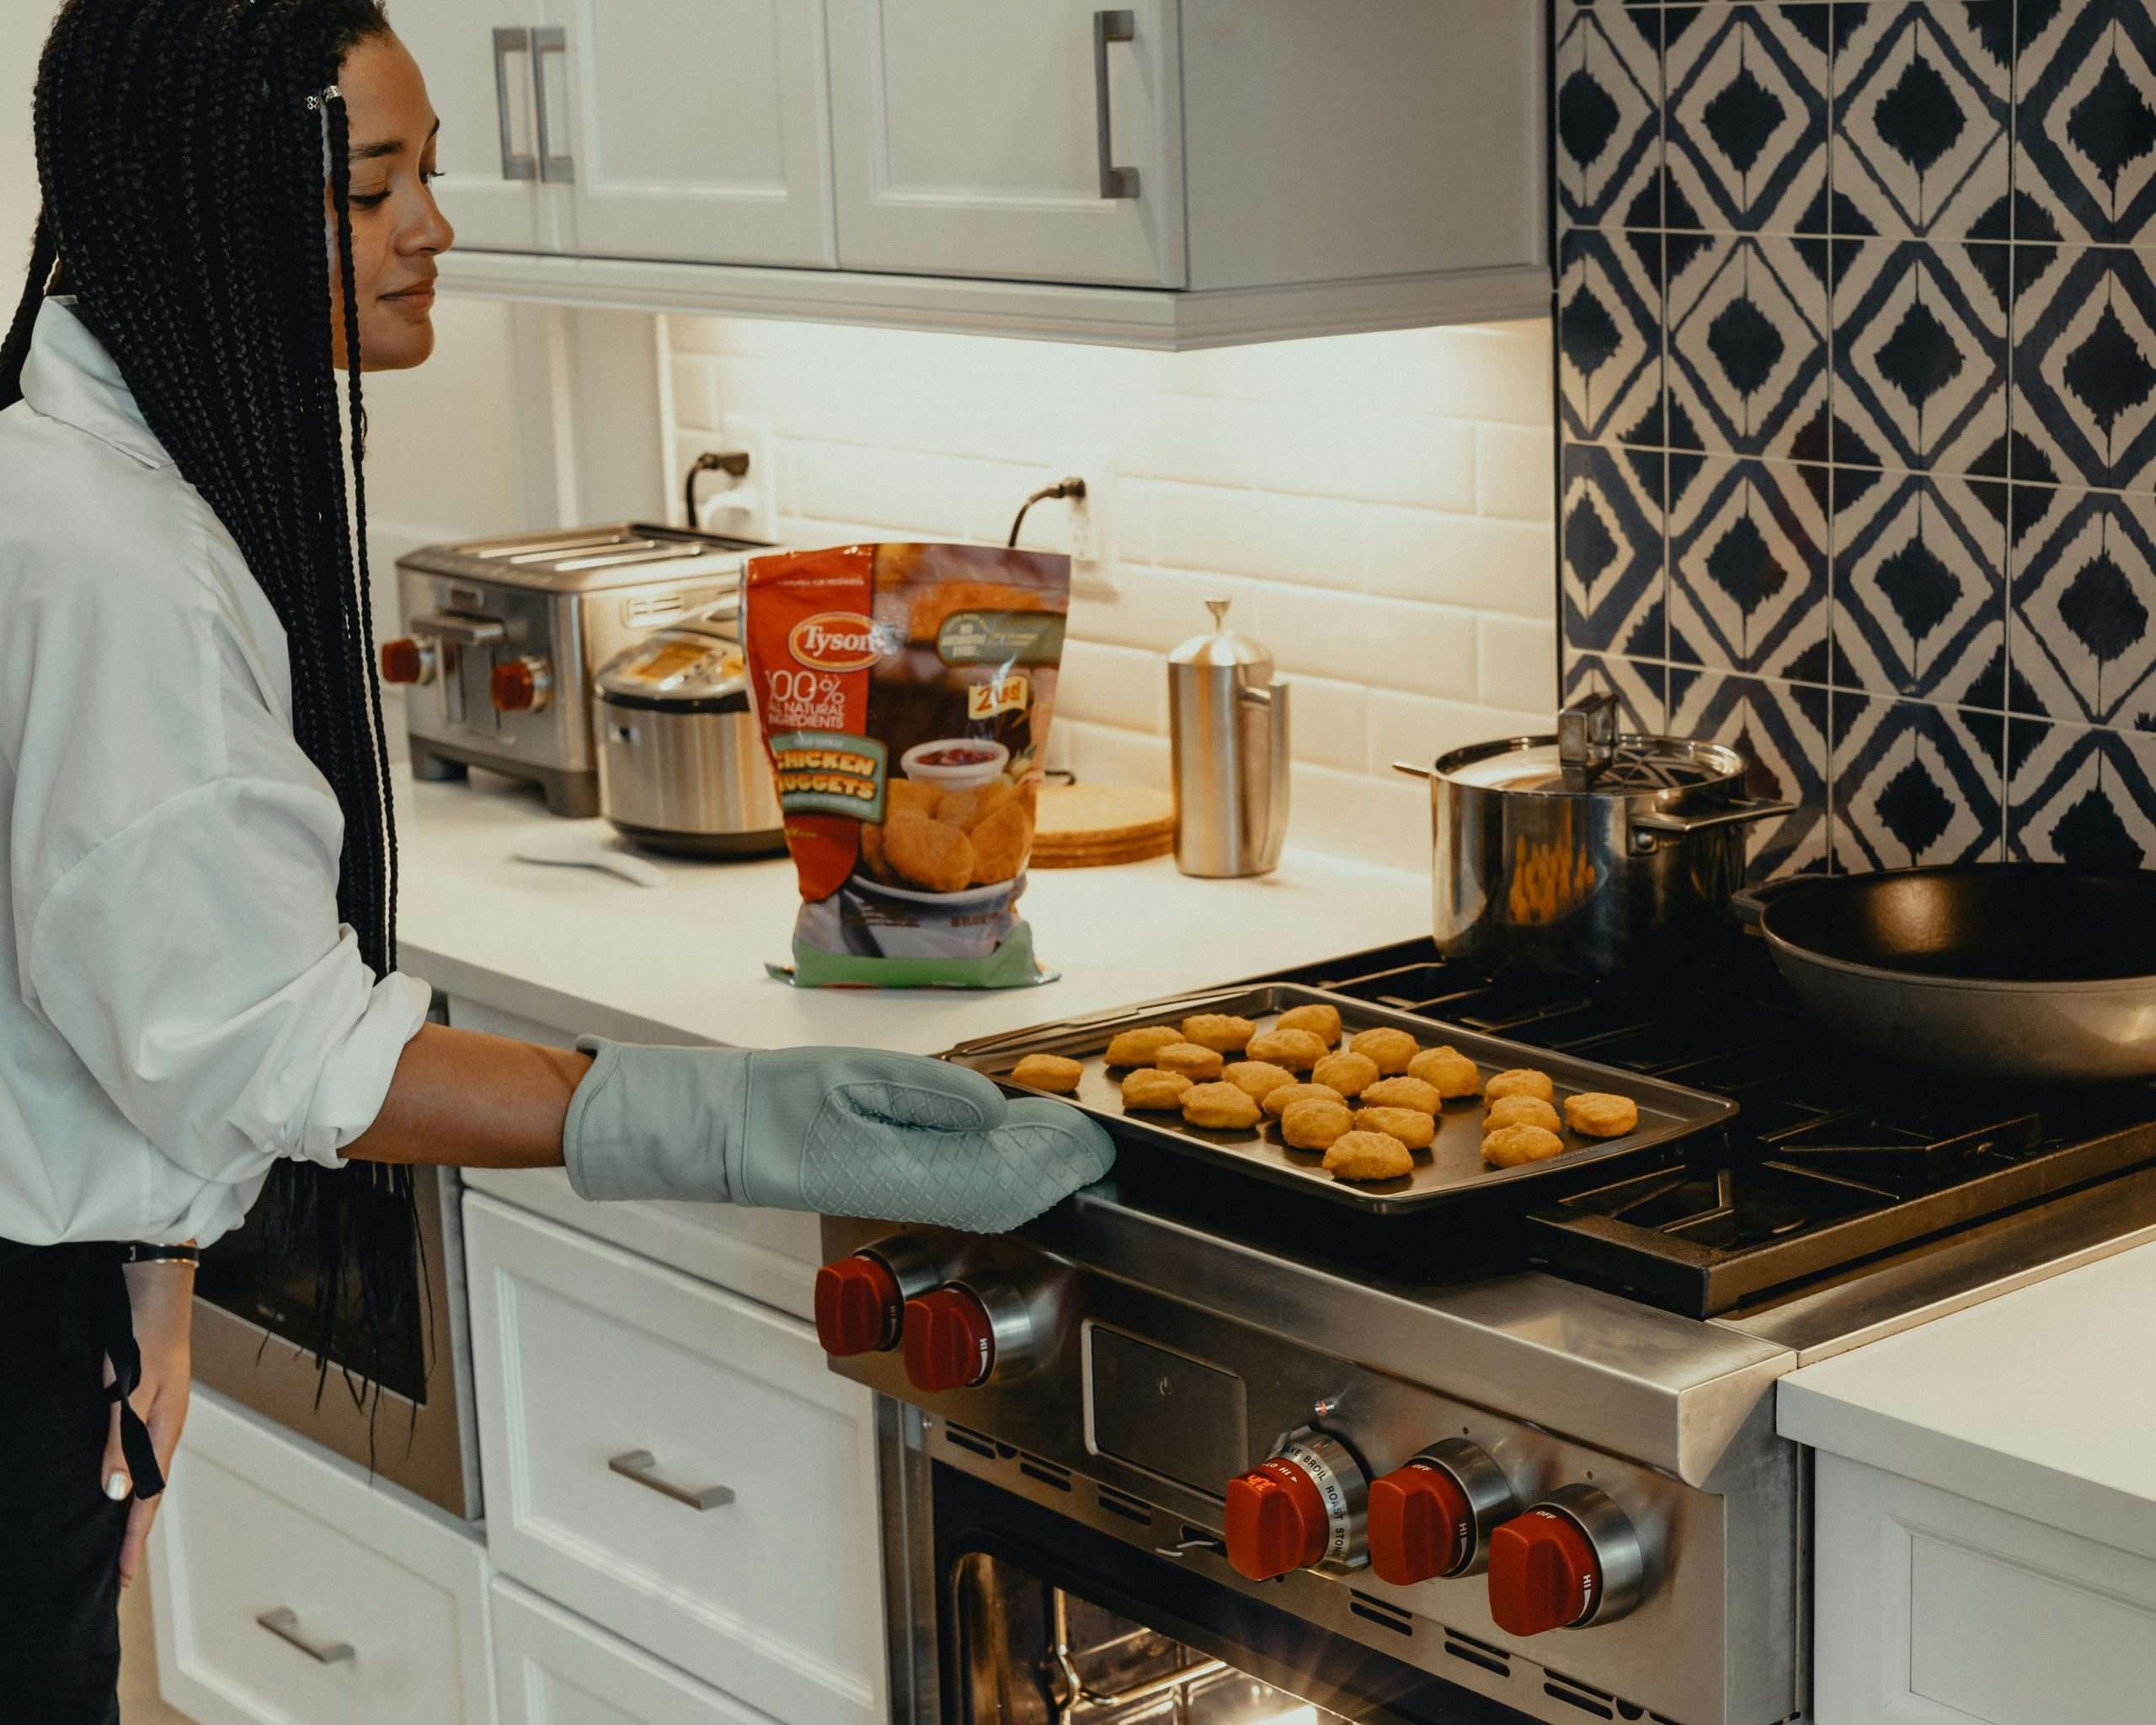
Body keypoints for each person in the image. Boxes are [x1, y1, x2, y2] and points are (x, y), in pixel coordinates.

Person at [0, 5, 1115, 1719]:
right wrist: (723, 1117)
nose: (433, 227)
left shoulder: (58, 470)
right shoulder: (120, 562)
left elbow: (91, 963)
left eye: (424, 173)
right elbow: (274, 1045)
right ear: (203, 206)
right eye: (369, 191)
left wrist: (147, 1285)